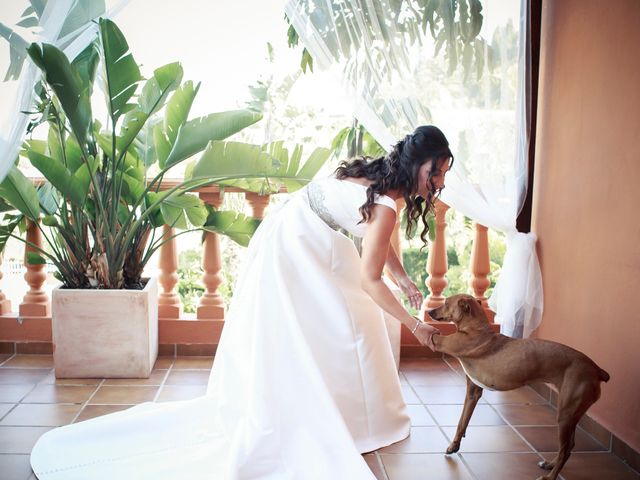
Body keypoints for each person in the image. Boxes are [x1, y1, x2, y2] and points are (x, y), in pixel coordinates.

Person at [30, 125, 453, 480]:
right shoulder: (385, 203)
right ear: (419, 165)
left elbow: (372, 236)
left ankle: (346, 411)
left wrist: (404, 279)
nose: (439, 183)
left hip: (296, 232)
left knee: (350, 322)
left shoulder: (380, 181)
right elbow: (370, 275)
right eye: (437, 173)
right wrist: (416, 325)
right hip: (300, 246)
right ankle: (324, 414)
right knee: (349, 320)